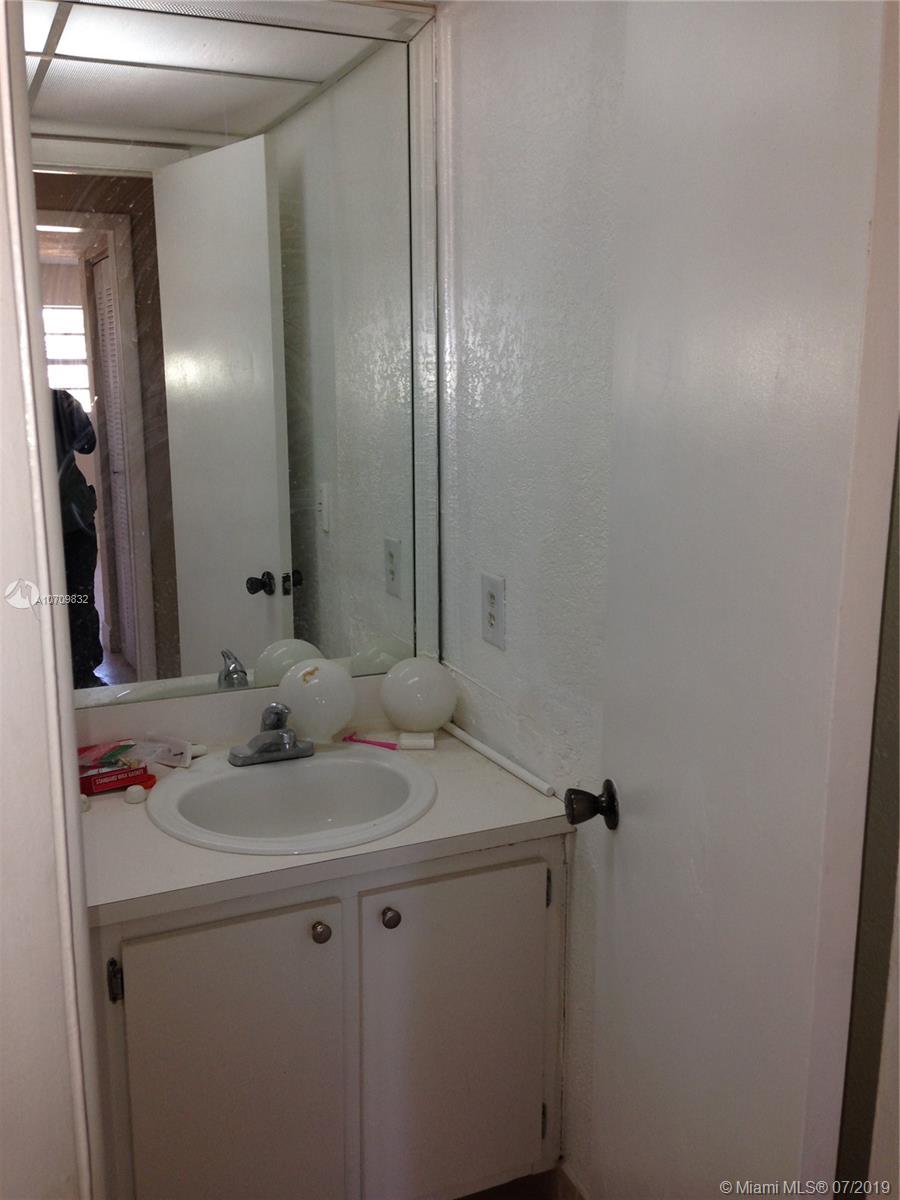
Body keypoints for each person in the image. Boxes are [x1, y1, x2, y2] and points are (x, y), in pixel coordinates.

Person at [53, 388, 104, 687]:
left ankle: (83, 675)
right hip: (31, 527)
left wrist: (67, 409)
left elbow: (87, 444)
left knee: (78, 599)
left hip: (73, 522)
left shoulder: (59, 402)